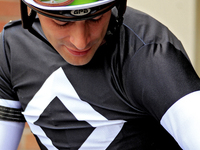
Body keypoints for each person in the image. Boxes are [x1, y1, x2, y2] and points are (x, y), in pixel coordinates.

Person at [0, 0, 200, 149]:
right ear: (33, 11)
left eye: (95, 18)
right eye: (62, 22)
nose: (81, 41)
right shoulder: (11, 49)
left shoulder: (150, 55)